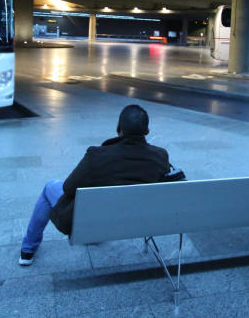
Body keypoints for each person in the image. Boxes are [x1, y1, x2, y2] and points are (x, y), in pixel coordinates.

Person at [19, 104, 171, 266]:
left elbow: (68, 188)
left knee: (51, 186)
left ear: (118, 128)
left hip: (96, 220)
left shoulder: (97, 156)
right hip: (137, 222)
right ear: (147, 131)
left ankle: (28, 250)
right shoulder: (161, 156)